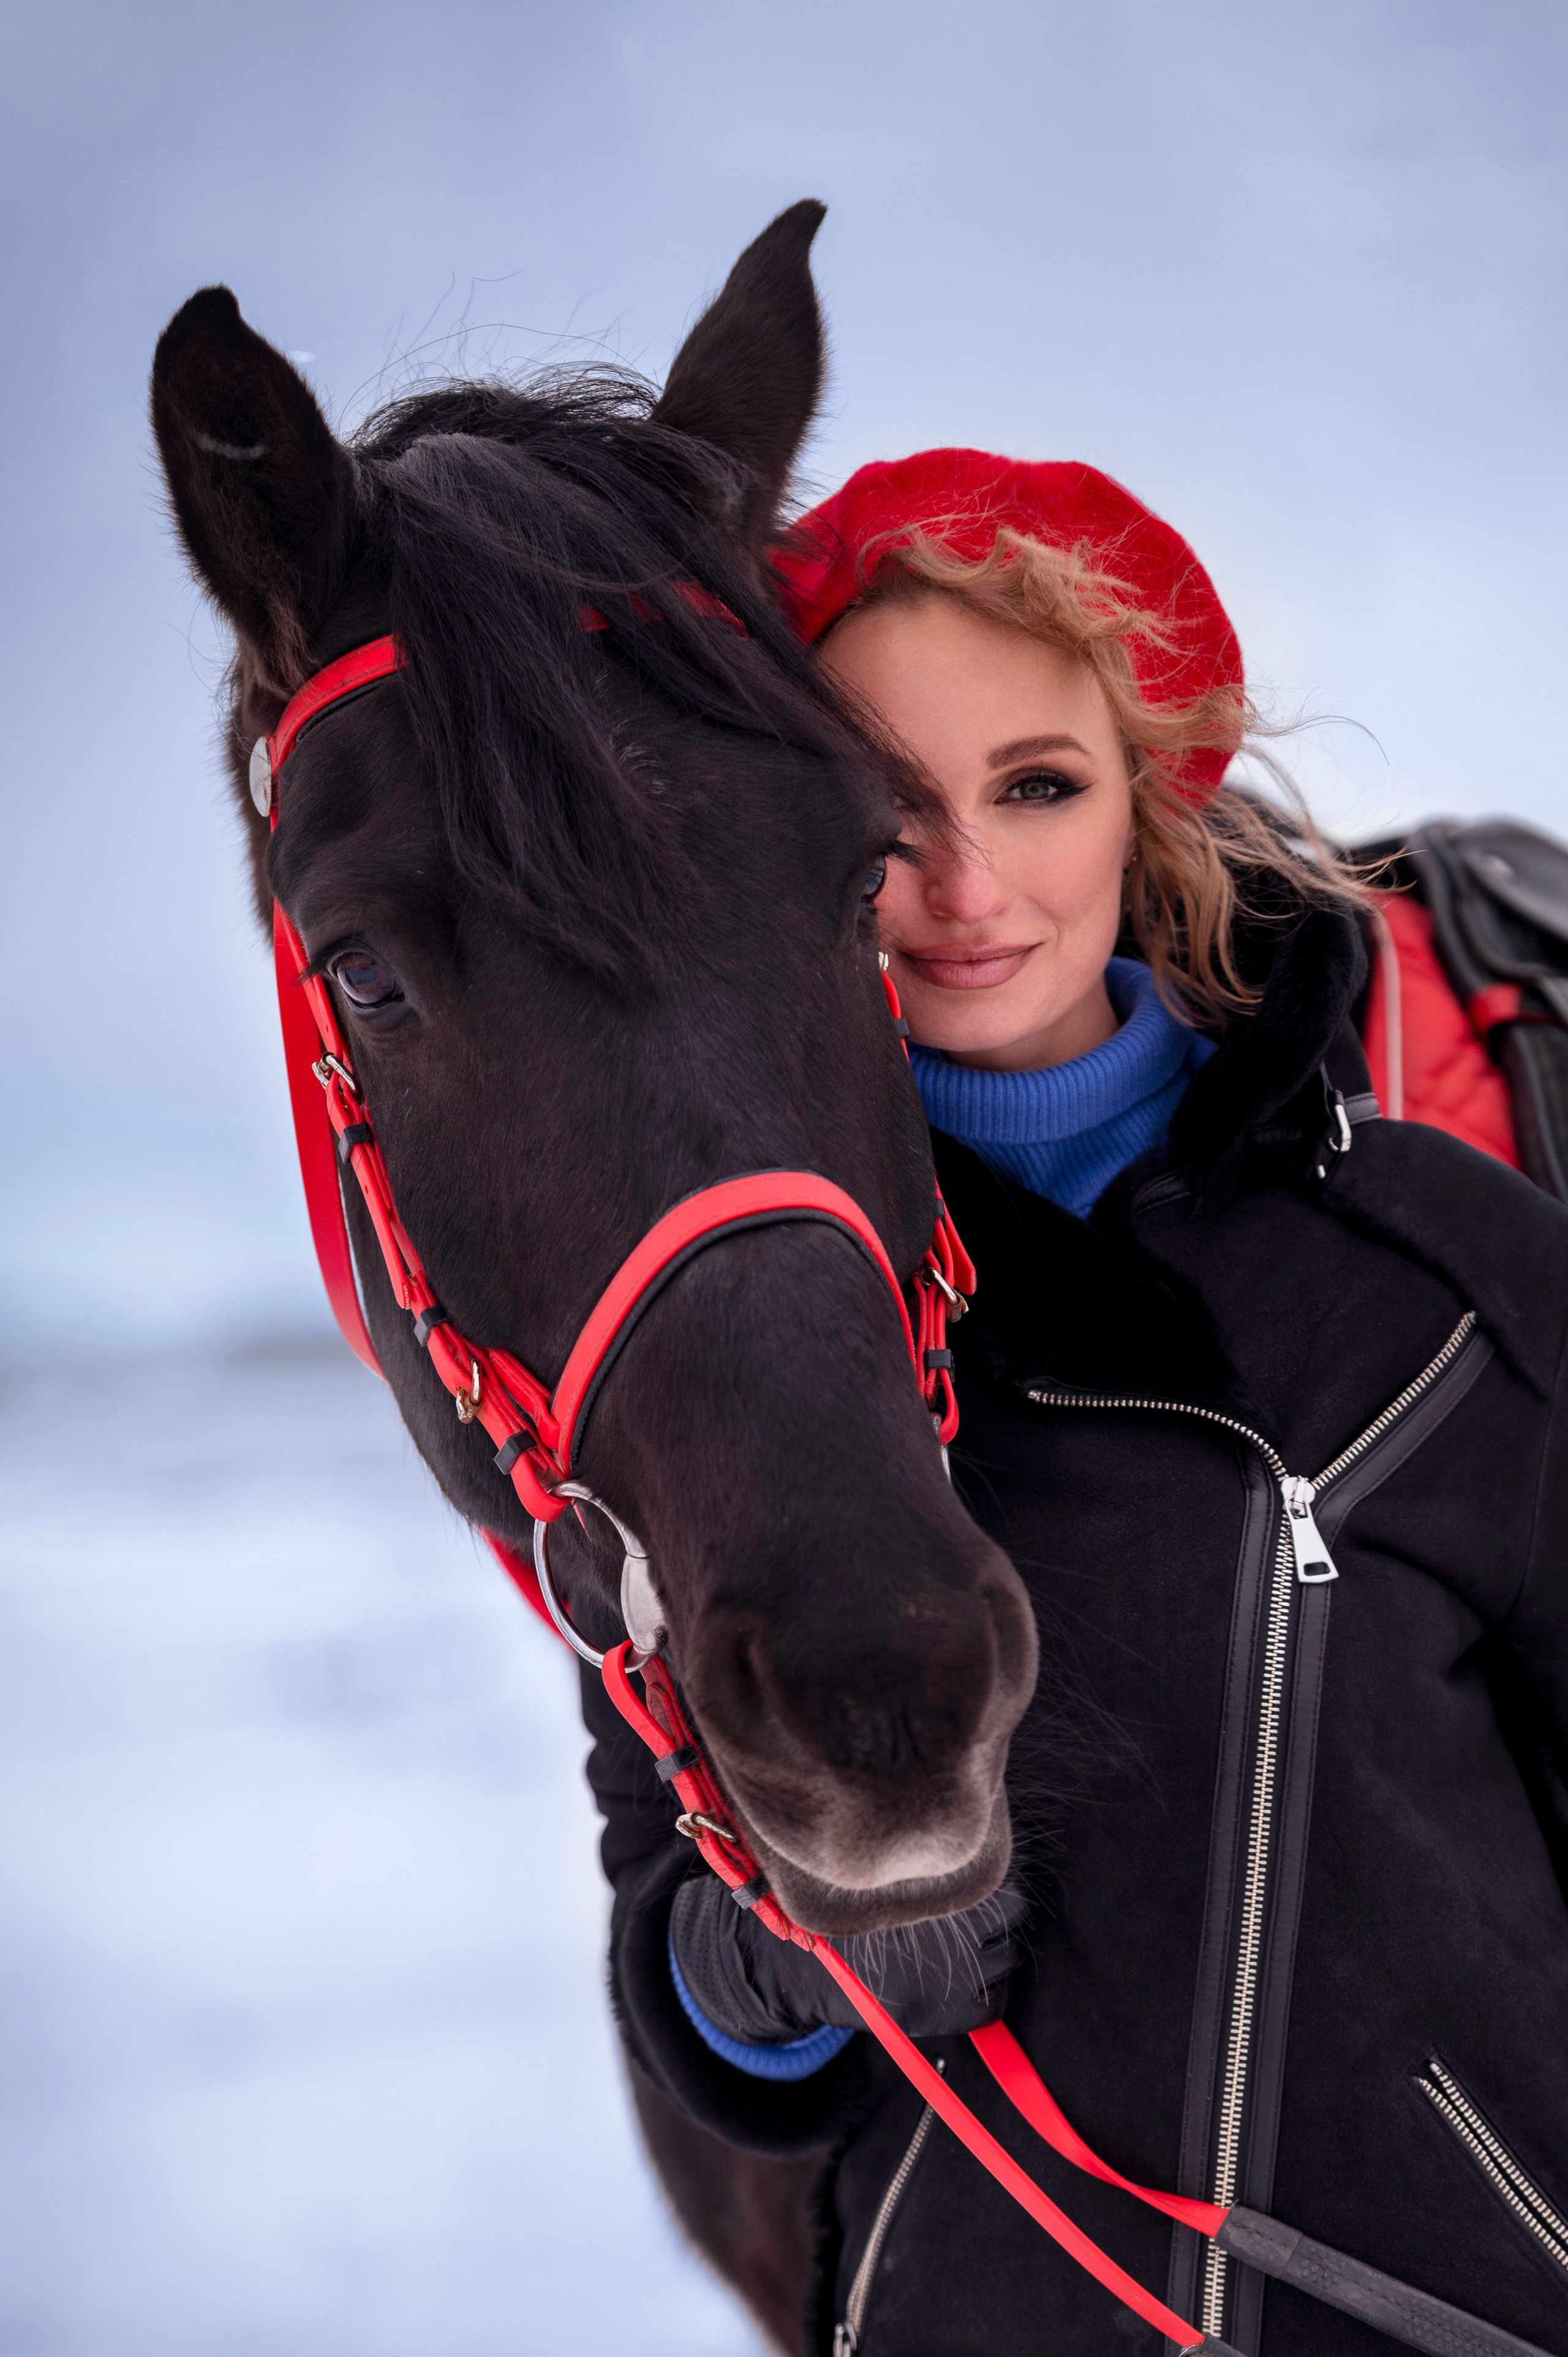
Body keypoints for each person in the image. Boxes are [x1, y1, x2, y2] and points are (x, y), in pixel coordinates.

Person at [580, 450, 1568, 2355]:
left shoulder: (1451, 1277)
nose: (962, 888)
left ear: (1147, 799)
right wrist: (792, 1948)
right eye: (881, 813)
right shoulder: (720, 1353)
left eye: (1037, 787)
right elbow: (695, 2001)